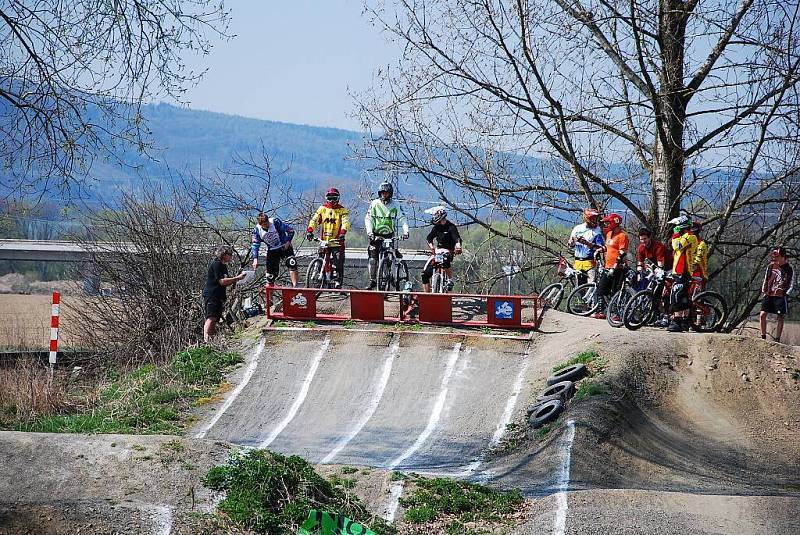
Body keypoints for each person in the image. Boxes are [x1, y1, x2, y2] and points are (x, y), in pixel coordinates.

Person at [364, 181, 409, 290]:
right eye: (382, 192)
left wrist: (406, 231)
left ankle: (389, 277)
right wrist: (369, 232)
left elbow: (402, 219)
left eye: (387, 193)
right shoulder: (374, 203)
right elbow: (368, 219)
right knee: (372, 259)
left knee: (389, 257)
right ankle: (373, 280)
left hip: (389, 235)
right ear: (379, 193)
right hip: (375, 235)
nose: (384, 194)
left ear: (390, 193)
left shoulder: (396, 204)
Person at [306, 187, 351, 288]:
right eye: (329, 198)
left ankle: (338, 282)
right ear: (326, 198)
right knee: (320, 257)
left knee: (337, 261)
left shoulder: (342, 210)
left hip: (337, 242)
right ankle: (318, 279)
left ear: (338, 198)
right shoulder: (322, 209)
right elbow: (315, 219)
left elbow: (345, 222)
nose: (331, 201)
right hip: (324, 241)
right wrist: (310, 230)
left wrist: (343, 233)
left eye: (334, 198)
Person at [203, 245, 246, 342]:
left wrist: (238, 280)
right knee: (211, 318)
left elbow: (227, 281)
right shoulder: (216, 264)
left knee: (215, 319)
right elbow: (221, 281)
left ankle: (211, 339)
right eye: (229, 254)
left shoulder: (224, 266)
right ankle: (206, 340)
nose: (231, 256)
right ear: (223, 255)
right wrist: (237, 278)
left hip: (219, 295)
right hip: (212, 294)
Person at [591, 212, 629, 319]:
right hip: (607, 266)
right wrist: (600, 249)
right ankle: (601, 311)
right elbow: (608, 247)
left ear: (614, 223)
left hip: (618, 268)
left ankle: (616, 314)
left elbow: (622, 252)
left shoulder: (622, 236)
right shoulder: (609, 234)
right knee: (601, 289)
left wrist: (615, 265)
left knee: (615, 291)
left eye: (608, 222)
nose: (606, 225)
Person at [666, 214, 698, 332]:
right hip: (678, 270)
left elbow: (677, 245)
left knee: (676, 296)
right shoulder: (684, 236)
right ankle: (684, 321)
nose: (675, 229)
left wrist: (675, 234)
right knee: (683, 297)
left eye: (676, 227)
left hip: (683, 271)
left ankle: (677, 321)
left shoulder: (690, 236)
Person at [251, 211, 299, 287]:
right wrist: (255, 259)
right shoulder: (257, 230)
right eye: (265, 225)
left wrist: (288, 241)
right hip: (272, 250)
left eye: (267, 224)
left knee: (291, 262)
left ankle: (295, 286)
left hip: (284, 246)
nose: (267, 226)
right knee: (270, 276)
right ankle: (269, 297)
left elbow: (291, 230)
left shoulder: (275, 222)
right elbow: (255, 245)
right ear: (260, 225)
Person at [421, 207, 462, 292]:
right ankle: (427, 296)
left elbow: (457, 238)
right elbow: (429, 238)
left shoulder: (451, 227)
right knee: (424, 275)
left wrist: (458, 247)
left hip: (449, 251)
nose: (434, 217)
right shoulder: (436, 227)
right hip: (437, 252)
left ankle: (450, 280)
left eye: (435, 215)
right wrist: (432, 248)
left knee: (445, 260)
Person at [760, 246, 794, 342]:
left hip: (780, 295)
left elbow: (792, 282)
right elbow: (766, 278)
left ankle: (777, 339)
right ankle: (763, 337)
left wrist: (786, 293)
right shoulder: (771, 266)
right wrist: (764, 290)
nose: (775, 258)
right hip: (769, 294)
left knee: (780, 316)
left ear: (783, 256)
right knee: (762, 315)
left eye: (777, 256)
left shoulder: (789, 268)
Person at [567, 208, 604, 286]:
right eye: (594, 218)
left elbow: (600, 247)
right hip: (578, 263)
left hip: (590, 263)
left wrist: (587, 243)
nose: (595, 220)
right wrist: (572, 242)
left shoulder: (596, 230)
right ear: (588, 219)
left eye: (596, 218)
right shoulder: (577, 228)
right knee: (579, 289)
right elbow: (570, 245)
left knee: (591, 287)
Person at [692, 222, 708, 292]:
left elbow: (698, 257)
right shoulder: (688, 242)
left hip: (698, 271)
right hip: (690, 270)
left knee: (696, 294)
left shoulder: (701, 244)